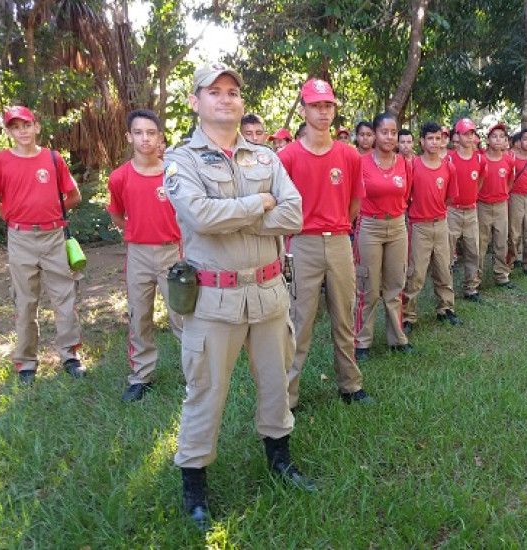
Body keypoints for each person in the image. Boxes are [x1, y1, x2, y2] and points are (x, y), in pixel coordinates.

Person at [164, 63, 312, 531]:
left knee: (276, 382)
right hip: (214, 299)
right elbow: (200, 216)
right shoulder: (182, 160)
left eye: (232, 92)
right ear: (195, 100)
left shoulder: (267, 158)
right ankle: (194, 488)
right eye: (214, 91)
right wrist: (258, 204)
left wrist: (242, 214)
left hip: (269, 292)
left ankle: (280, 461)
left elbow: (294, 213)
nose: (225, 99)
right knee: (205, 390)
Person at [278, 78, 374, 409]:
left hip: (339, 243)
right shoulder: (287, 156)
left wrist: (337, 229)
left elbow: (354, 204)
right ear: (303, 110)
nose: (322, 111)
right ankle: (288, 396)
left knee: (344, 316)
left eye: (328, 105)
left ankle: (350, 384)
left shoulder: (349, 156)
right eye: (316, 105)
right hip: (301, 243)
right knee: (298, 320)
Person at [0, 106, 85, 386]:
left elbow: (72, 195)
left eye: (26, 125)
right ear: (9, 132)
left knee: (65, 299)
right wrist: (15, 219)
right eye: (15, 127)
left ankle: (70, 356)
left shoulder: (53, 158)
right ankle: (26, 362)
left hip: (54, 237)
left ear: (36, 127)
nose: (22, 131)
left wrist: (50, 215)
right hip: (21, 239)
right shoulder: (1, 161)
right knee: (25, 302)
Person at [107, 109, 183, 402]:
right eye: (138, 133)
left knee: (182, 315)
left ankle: (196, 375)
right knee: (139, 316)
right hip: (138, 254)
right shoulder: (119, 177)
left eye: (151, 133)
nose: (145, 138)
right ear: (129, 137)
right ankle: (141, 377)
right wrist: (138, 233)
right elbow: (116, 214)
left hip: (173, 252)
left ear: (160, 137)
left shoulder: (174, 174)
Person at [353, 112, 413, 360]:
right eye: (384, 132)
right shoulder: (361, 163)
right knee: (368, 287)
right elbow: (354, 198)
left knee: (395, 285)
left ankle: (397, 338)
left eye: (393, 132)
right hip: (369, 227)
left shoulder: (405, 164)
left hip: (398, 227)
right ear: (374, 134)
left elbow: (406, 195)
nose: (389, 137)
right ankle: (362, 342)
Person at [402, 121, 462, 332]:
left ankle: (445, 308)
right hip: (419, 226)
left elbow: (450, 196)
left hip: (441, 223)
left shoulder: (448, 166)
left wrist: (437, 213)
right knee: (416, 272)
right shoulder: (413, 165)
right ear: (422, 141)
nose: (434, 142)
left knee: (444, 268)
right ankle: (408, 316)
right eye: (430, 138)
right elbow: (406, 196)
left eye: (438, 138)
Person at [447, 117, 485, 301]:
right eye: (465, 134)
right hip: (452, 211)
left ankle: (471, 287)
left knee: (473, 251)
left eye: (472, 133)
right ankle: (446, 291)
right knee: (447, 253)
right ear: (457, 136)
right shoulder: (449, 159)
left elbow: (479, 182)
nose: (469, 137)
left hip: (471, 211)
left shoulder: (480, 159)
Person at [477, 123, 514, 288]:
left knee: (501, 242)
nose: (498, 139)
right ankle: (475, 279)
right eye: (494, 136)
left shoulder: (508, 160)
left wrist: (502, 194)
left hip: (501, 206)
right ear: (488, 140)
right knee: (480, 243)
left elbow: (510, 181)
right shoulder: (481, 159)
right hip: (482, 206)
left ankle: (501, 275)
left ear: (506, 141)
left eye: (501, 137)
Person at [507, 129, 527, 277]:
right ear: (519, 142)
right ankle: (511, 261)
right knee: (514, 232)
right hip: (516, 197)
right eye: (525, 139)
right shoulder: (512, 157)